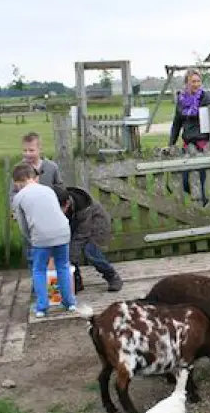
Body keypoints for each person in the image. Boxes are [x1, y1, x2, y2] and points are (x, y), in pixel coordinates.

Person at [11, 163, 77, 318]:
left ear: (19, 182)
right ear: (33, 177)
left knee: (39, 269)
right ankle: (70, 302)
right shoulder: (48, 190)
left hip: (41, 236)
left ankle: (42, 306)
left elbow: (23, 225)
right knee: (63, 266)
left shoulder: (18, 197)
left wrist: (31, 239)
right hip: (62, 232)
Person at [9, 132, 65, 278]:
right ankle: (37, 281)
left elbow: (59, 188)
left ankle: (54, 281)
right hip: (30, 218)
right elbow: (13, 193)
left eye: (31, 150)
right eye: (25, 150)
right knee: (32, 251)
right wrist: (15, 211)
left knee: (54, 252)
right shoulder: (19, 169)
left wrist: (61, 208)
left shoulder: (51, 167)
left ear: (40, 149)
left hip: (50, 217)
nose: (27, 154)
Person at [50, 185, 124, 292]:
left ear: (67, 204)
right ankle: (76, 282)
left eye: (59, 210)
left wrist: (70, 259)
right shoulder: (61, 203)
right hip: (76, 224)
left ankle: (112, 277)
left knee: (90, 251)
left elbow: (81, 236)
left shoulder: (84, 207)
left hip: (97, 225)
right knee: (68, 248)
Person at [168, 68, 210, 206]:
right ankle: (202, 203)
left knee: (201, 182)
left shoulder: (206, 98)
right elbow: (176, 124)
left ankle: (206, 208)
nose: (196, 84)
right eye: (193, 81)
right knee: (185, 182)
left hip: (203, 144)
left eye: (198, 81)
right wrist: (171, 143)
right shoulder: (181, 101)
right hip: (188, 145)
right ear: (186, 83)